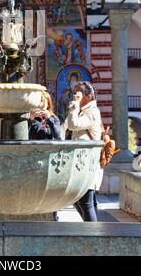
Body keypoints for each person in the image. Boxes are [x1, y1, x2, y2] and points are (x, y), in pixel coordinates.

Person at [65, 81, 103, 222]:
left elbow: (74, 125)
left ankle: (93, 234)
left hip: (87, 164)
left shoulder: (92, 112)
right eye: (74, 92)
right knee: (85, 201)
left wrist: (74, 106)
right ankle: (95, 231)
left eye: (78, 92)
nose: (75, 95)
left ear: (88, 96)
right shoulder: (82, 111)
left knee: (85, 202)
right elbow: (65, 127)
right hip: (81, 164)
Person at [29, 91, 61, 221]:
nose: (41, 108)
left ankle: (52, 215)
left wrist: (49, 119)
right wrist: (31, 121)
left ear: (48, 105)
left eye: (44, 104)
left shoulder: (54, 119)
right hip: (35, 158)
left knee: (51, 189)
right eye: (39, 104)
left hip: (50, 158)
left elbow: (58, 137)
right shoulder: (34, 120)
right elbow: (28, 137)